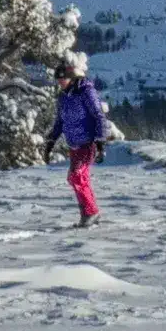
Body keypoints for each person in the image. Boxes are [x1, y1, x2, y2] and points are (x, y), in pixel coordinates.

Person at [48, 51, 116, 227]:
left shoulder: (86, 91)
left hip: (88, 142)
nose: (60, 82)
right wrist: (51, 141)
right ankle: (90, 212)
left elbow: (99, 116)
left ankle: (90, 213)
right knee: (75, 178)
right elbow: (60, 121)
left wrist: (100, 142)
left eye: (63, 79)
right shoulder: (63, 97)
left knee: (77, 177)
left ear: (70, 77)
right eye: (58, 80)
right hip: (74, 144)